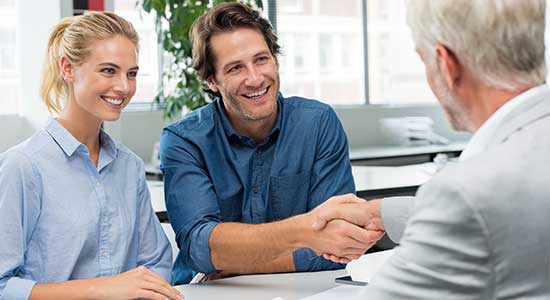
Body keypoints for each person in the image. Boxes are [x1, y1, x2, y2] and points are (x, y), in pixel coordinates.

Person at [312, 0, 550, 298]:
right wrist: (381, 213)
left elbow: (476, 212)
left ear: (445, 64)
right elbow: (510, 213)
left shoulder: (469, 191)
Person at [160, 2, 382, 284]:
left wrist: (242, 263)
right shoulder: (184, 140)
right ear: (212, 81)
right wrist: (306, 233)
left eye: (261, 59)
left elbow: (339, 239)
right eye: (235, 68)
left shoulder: (317, 123)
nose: (255, 78)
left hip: (302, 290)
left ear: (275, 60)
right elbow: (200, 248)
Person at [0, 11, 183, 300]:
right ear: (68, 69)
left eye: (131, 73)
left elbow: (156, 264)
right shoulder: (23, 167)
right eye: (108, 70)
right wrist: (101, 289)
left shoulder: (129, 167)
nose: (124, 87)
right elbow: (3, 285)